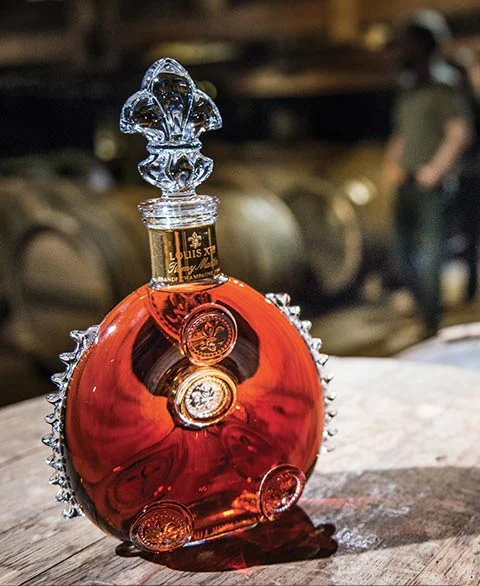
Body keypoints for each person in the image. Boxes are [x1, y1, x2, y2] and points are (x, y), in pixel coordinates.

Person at [383, 10, 473, 337]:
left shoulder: (444, 84)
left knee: (430, 254)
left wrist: (435, 170)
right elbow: (402, 132)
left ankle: (430, 322)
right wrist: (391, 163)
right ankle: (422, 309)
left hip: (430, 185)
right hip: (405, 180)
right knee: (402, 254)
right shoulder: (408, 87)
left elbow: (459, 132)